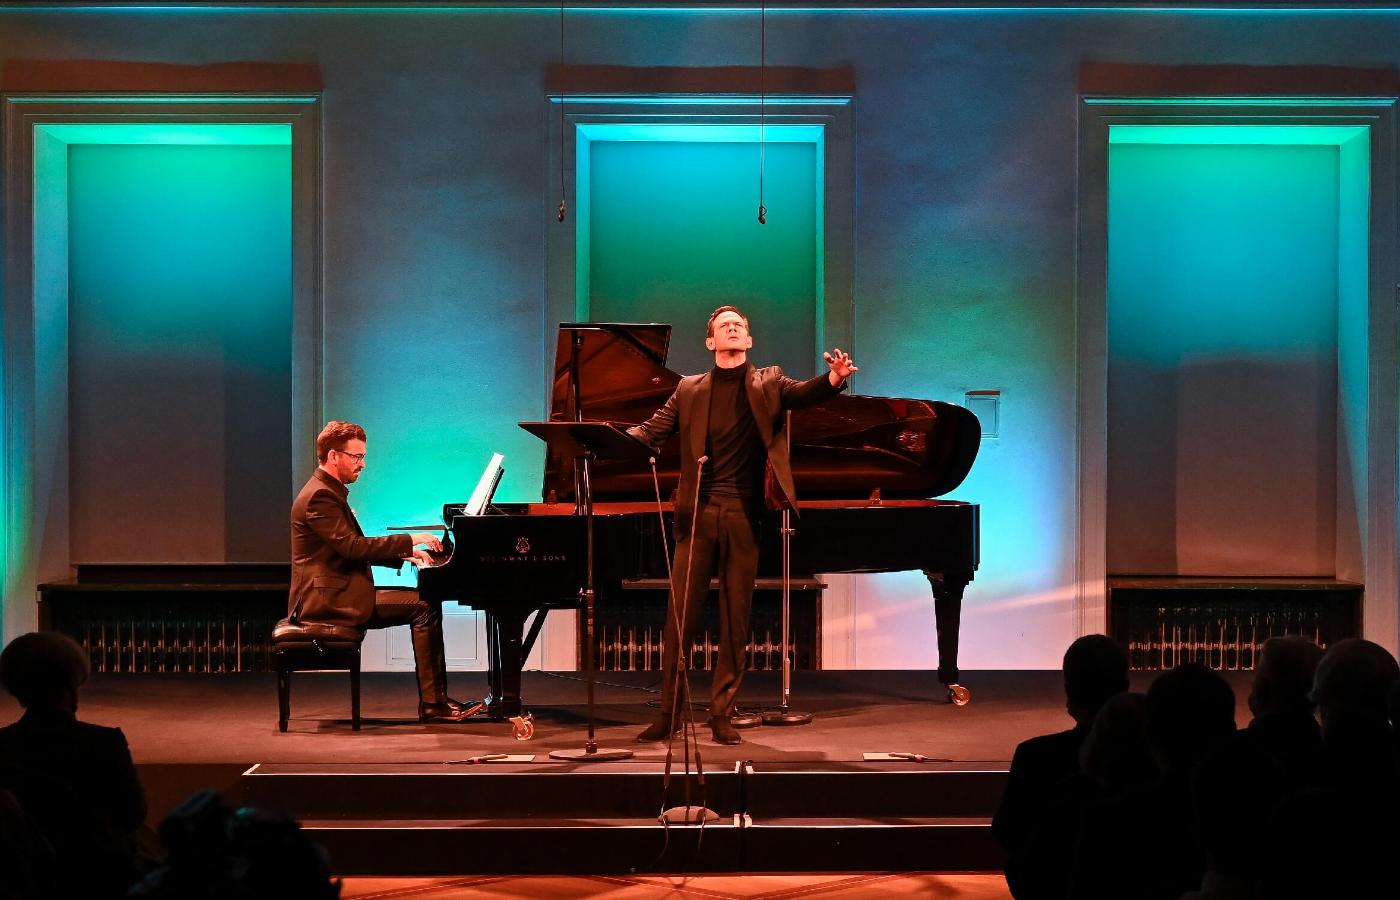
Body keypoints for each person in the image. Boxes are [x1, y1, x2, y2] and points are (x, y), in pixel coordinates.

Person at [628, 306, 856, 745]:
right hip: (697, 513)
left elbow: (805, 394)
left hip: (743, 514)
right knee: (680, 619)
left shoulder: (769, 381)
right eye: (723, 325)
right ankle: (669, 715)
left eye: (740, 325)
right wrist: (600, 440)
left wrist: (834, 378)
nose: (732, 328)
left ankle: (722, 713)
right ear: (710, 342)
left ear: (748, 340)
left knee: (736, 618)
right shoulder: (689, 389)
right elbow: (651, 431)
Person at [289, 420, 468, 723]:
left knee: (424, 602)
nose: (363, 464)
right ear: (334, 456)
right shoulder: (321, 496)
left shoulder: (326, 491)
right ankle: (433, 704)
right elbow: (353, 548)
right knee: (424, 606)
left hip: (336, 592)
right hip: (328, 602)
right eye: (357, 457)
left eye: (363, 457)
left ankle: (435, 701)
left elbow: (347, 549)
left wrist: (405, 555)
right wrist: (412, 540)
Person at [0, 630, 149, 897]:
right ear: (70, 685)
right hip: (94, 877)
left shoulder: (2, 745)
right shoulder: (105, 743)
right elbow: (133, 813)